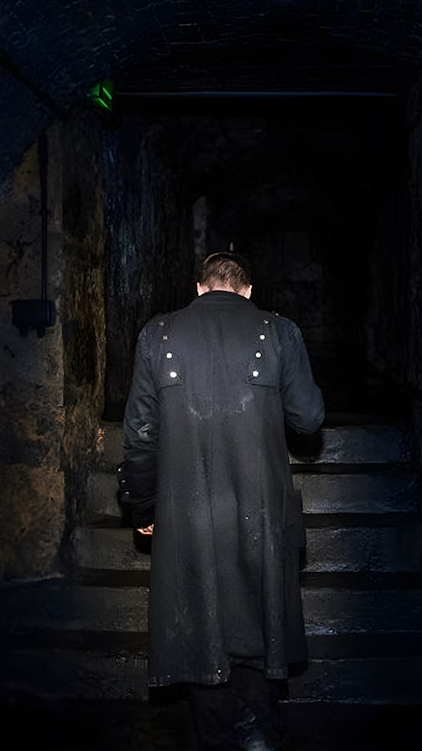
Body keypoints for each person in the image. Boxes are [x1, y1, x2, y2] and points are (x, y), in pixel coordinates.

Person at [118, 250, 325, 751]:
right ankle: (256, 724)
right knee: (259, 610)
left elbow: (140, 434)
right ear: (247, 290)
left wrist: (142, 507)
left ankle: (216, 734)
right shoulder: (279, 331)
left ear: (199, 287)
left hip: (186, 508)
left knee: (198, 616)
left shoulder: (158, 334)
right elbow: (309, 418)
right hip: (259, 506)